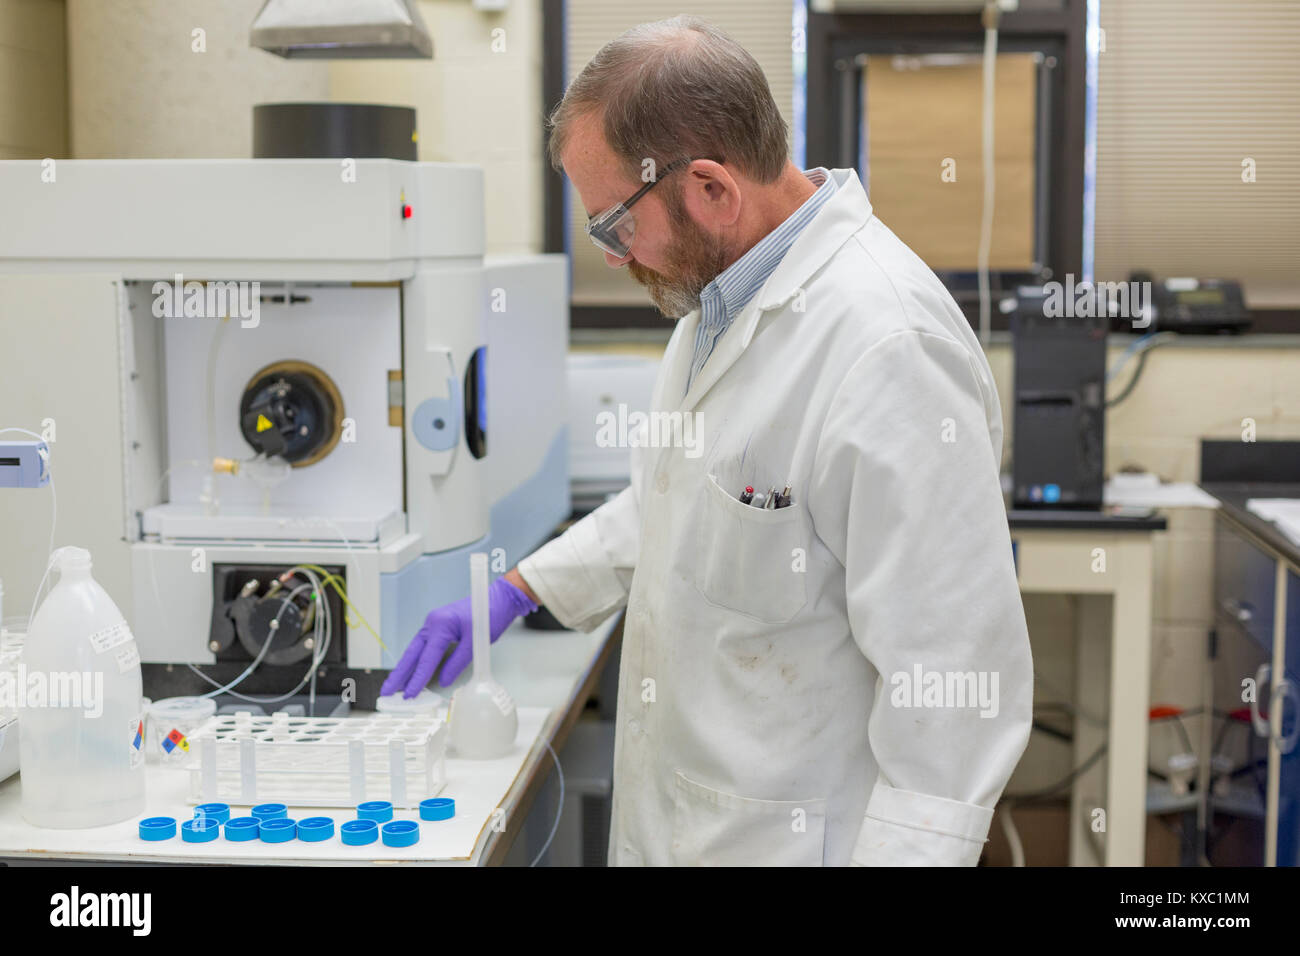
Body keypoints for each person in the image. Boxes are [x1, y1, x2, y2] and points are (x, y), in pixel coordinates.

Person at [383, 15, 1032, 866]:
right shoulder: (717, 303)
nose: (612, 257)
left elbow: (951, 705)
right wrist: (521, 588)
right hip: (686, 823)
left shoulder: (888, 349)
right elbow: (684, 498)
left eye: (614, 225)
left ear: (713, 191)